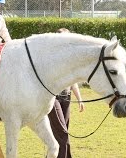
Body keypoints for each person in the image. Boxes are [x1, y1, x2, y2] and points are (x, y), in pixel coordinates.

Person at [47, 28, 85, 158]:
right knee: (63, 135)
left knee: (60, 133)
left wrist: (79, 99)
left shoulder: (70, 59)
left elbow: (73, 81)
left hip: (66, 99)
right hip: (53, 99)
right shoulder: (51, 58)